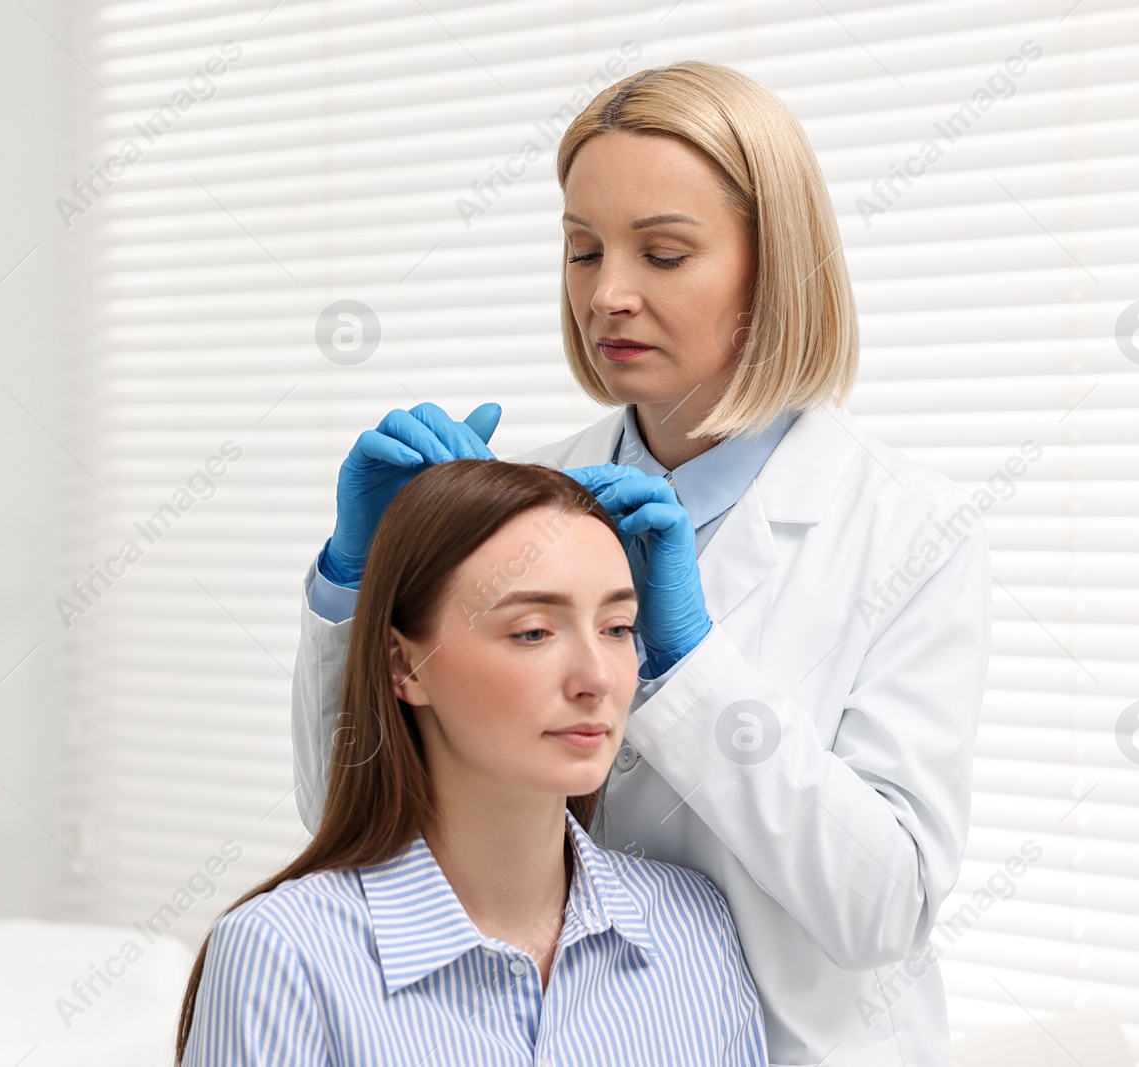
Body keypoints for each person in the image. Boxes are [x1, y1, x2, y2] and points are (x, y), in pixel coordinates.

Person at [292, 60, 992, 1066]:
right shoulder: (533, 496)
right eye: (582, 251)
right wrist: (356, 590)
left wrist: (688, 666)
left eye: (663, 253)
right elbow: (358, 832)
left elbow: (882, 905)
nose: (608, 294)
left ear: (773, 268)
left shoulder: (905, 529)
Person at [177, 461, 769, 1065]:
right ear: (405, 666)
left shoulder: (694, 930)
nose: (597, 678)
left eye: (617, 628)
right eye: (534, 632)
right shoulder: (282, 956)